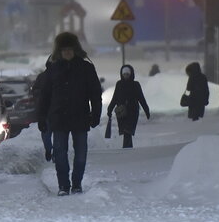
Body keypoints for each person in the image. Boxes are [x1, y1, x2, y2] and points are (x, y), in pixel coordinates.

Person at [37, 32, 102, 195]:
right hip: (58, 118)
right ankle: (63, 186)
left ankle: (77, 183)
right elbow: (44, 95)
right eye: (64, 49)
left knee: (81, 154)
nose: (67, 52)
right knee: (60, 154)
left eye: (70, 49)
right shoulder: (52, 70)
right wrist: (42, 118)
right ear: (59, 51)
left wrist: (96, 114)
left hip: (80, 117)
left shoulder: (86, 68)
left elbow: (95, 93)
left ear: (75, 50)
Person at [107, 65, 151, 148]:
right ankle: (128, 148)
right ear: (121, 74)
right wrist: (110, 109)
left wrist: (147, 111)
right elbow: (115, 98)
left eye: (127, 74)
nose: (126, 76)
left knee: (128, 131)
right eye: (124, 74)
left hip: (132, 112)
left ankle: (126, 149)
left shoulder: (135, 85)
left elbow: (141, 98)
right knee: (126, 132)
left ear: (131, 74)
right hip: (121, 112)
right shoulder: (119, 84)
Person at [31, 58, 53, 162]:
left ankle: (49, 150)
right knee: (55, 133)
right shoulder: (60, 76)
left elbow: (34, 91)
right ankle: (54, 152)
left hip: (46, 110)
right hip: (55, 110)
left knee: (46, 133)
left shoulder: (41, 76)